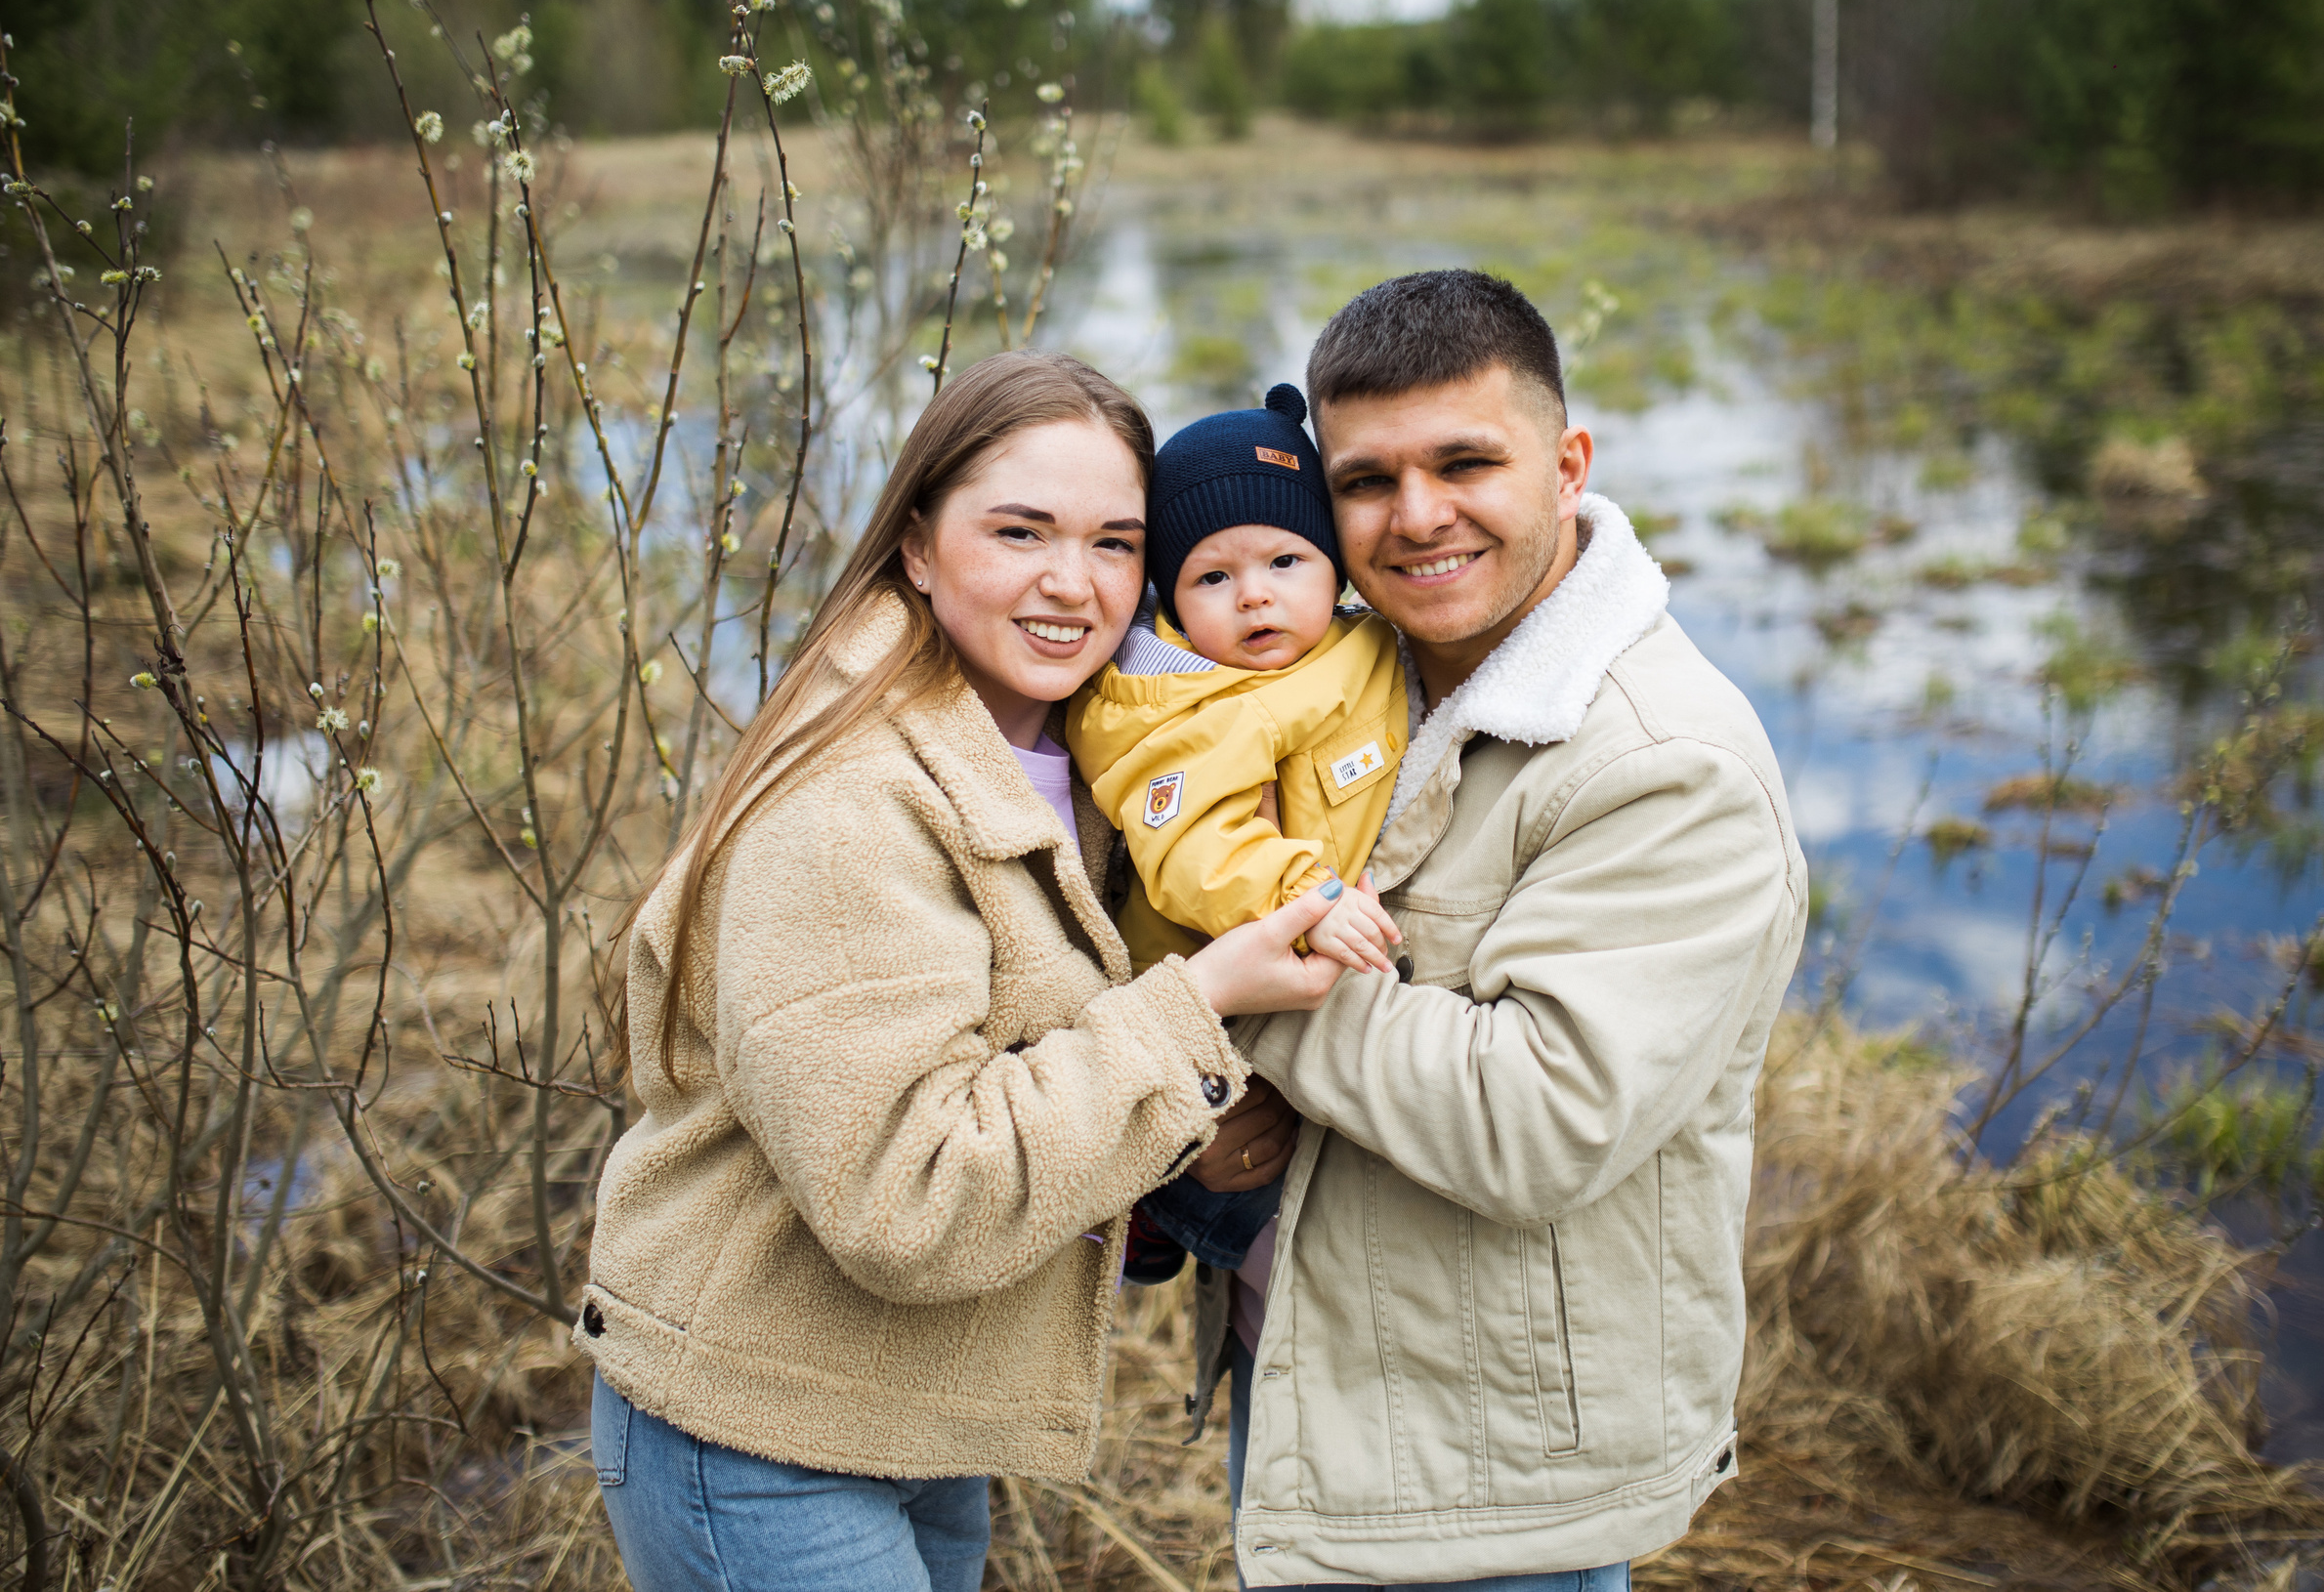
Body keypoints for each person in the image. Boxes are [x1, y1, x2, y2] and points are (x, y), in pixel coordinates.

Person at [574, 352, 1338, 1592]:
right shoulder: (847, 802)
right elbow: (905, 1197)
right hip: (757, 1430)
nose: (1069, 583)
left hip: (912, 1409)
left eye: (1111, 543)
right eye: (1019, 531)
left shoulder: (1078, 752)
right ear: (918, 546)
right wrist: (1199, 1011)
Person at [1211, 272, 1810, 1590]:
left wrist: (1216, 979)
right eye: (1368, 480)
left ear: (1567, 461)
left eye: (1467, 461)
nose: (1418, 516)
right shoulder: (1341, 673)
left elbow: (1538, 1117)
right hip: (1327, 1373)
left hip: (1492, 1468)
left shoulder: (1668, 763)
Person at [1067, 383, 1409, 1284]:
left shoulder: (1365, 645)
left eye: (1286, 562)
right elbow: (1197, 850)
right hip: (1215, 1008)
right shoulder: (1170, 708)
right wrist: (1307, 893)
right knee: (1288, 1245)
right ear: (1171, 603)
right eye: (1213, 578)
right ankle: (1156, 1206)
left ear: (1333, 565)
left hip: (1319, 1000)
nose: (1255, 597)